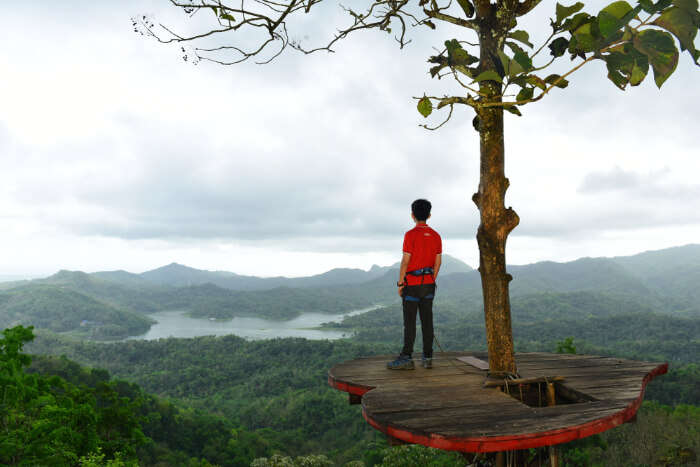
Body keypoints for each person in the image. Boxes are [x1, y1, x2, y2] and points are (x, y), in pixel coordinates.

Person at [387, 199, 442, 370]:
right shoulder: (436, 236)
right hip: (428, 285)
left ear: (412, 215)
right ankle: (427, 358)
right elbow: (438, 263)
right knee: (427, 321)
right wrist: (430, 278)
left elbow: (405, 262)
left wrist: (400, 283)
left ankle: (407, 357)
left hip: (411, 285)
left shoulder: (410, 235)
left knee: (409, 322)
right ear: (429, 215)